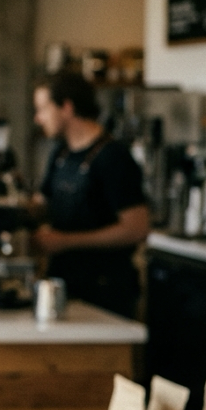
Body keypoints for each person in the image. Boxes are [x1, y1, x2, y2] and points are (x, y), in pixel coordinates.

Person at [31, 73, 150, 318]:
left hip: (105, 289)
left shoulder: (113, 158)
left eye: (43, 108)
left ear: (66, 107)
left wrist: (65, 241)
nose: (38, 118)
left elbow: (136, 228)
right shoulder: (61, 153)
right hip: (64, 283)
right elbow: (42, 204)